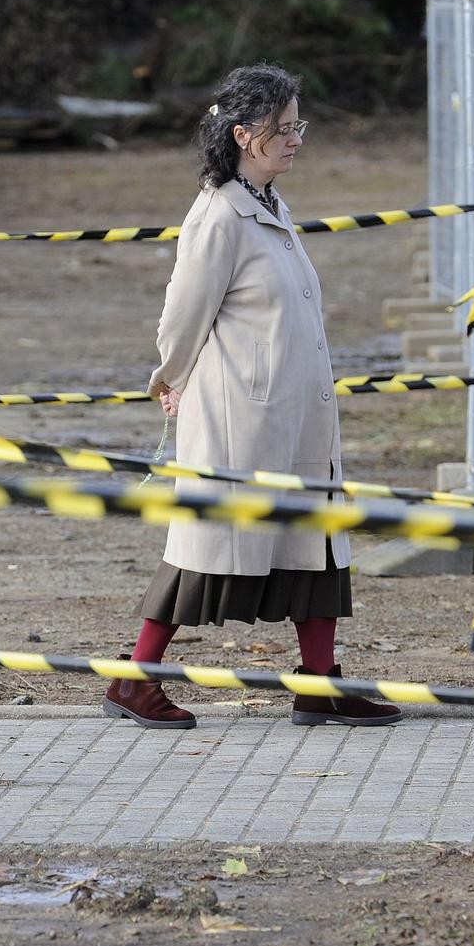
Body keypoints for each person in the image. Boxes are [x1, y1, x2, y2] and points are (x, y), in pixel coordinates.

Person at [101, 63, 402, 731]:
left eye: (299, 128)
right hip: (241, 419)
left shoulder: (269, 204)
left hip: (293, 420)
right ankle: (134, 680)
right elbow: (181, 317)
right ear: (243, 134)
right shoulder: (217, 215)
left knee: (316, 549)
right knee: (203, 558)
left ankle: (320, 682)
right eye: (282, 129)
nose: (295, 140)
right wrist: (169, 380)